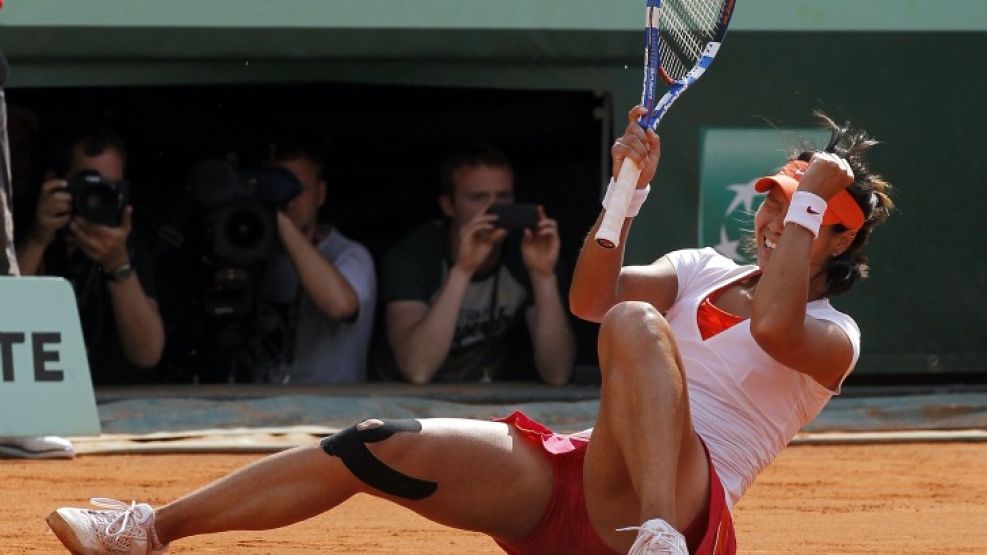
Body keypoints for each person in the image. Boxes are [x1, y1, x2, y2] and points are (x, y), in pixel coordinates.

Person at [45, 106, 893, 555]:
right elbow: (589, 299)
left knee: (641, 322)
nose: (774, 216)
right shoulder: (702, 268)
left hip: (683, 505)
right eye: (775, 201)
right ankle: (148, 530)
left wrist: (817, 189)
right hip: (585, 483)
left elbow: (775, 320)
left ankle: (661, 542)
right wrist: (624, 192)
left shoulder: (832, 334)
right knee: (374, 444)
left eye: (795, 208)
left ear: (839, 235)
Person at [380, 145, 575, 385]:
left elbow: (557, 373)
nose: (493, 209)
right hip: (402, 402)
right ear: (448, 205)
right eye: (478, 197)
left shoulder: (527, 249)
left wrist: (543, 275)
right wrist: (463, 269)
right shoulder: (413, 256)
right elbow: (418, 369)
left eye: (503, 197)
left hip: (489, 399)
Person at [16, 127, 164, 384]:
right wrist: (38, 239)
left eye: (110, 188)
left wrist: (118, 266)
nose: (97, 198)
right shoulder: (18, 229)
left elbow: (147, 354)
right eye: (88, 185)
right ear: (55, 183)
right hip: (32, 392)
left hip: (106, 396)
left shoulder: (129, 242)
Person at [257, 143, 376, 383]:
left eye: (296, 188)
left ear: (320, 194)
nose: (288, 199)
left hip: (330, 412)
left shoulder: (349, 255)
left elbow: (340, 306)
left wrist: (278, 219)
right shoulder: (252, 256)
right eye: (276, 189)